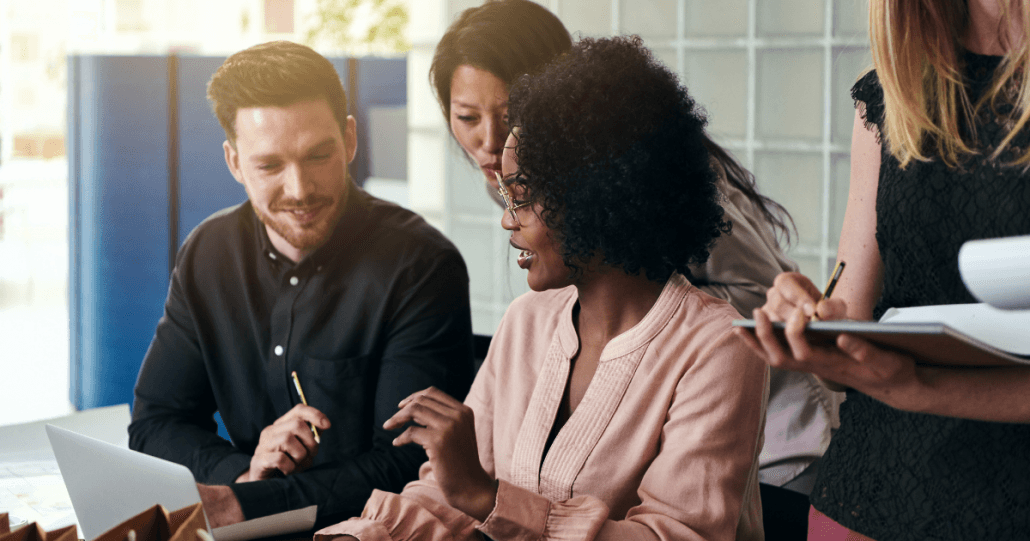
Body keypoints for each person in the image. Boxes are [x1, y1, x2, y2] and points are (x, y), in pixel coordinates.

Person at [314, 36, 769, 541]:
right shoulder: (526, 320)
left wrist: (487, 497)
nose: (507, 219)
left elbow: (678, 535)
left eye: (524, 195)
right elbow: (447, 498)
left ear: (602, 192)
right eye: (507, 194)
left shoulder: (720, 345)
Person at [430, 0, 838, 496]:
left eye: (509, 112)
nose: (489, 141)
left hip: (775, 443)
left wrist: (640, 316)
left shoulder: (648, 177)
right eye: (467, 117)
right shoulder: (526, 283)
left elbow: (757, 295)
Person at [128, 41, 475, 529]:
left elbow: (408, 464)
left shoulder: (420, 264)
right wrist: (243, 473)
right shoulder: (208, 252)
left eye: (317, 156)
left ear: (349, 140)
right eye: (270, 166)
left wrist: (251, 502)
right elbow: (156, 422)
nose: (299, 189)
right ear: (234, 163)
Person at [739, 0, 1030, 538]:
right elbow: (846, 336)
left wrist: (920, 387)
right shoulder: (891, 91)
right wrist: (810, 323)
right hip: (866, 501)